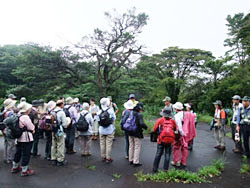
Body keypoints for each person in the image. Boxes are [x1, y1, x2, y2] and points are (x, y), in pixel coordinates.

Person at [11, 102, 35, 176]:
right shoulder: (25, 117)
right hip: (26, 138)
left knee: (18, 152)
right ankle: (24, 170)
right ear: (26, 109)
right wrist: (33, 130)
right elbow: (31, 127)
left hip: (18, 138)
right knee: (26, 154)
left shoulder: (17, 115)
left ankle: (15, 167)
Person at [171, 102, 196, 169]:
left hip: (180, 133)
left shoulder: (177, 116)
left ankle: (176, 161)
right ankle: (183, 162)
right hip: (187, 133)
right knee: (184, 148)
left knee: (176, 147)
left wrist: (182, 134)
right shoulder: (187, 113)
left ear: (176, 109)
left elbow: (179, 126)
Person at [152, 108, 177, 173]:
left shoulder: (160, 120)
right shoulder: (173, 121)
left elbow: (154, 129)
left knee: (158, 153)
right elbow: (175, 129)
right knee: (167, 154)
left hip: (161, 140)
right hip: (170, 140)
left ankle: (155, 168)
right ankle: (165, 169)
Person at [128, 102, 147, 167]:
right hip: (137, 132)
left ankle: (130, 159)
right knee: (137, 147)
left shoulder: (131, 112)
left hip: (130, 131)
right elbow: (141, 123)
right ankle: (135, 162)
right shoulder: (139, 114)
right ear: (140, 108)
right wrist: (146, 127)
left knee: (131, 146)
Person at [97, 97, 116, 163]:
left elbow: (98, 120)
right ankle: (108, 158)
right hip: (109, 130)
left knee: (102, 143)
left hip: (101, 130)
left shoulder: (99, 111)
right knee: (108, 144)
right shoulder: (110, 110)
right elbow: (114, 118)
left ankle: (103, 157)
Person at [50, 100, 68, 166]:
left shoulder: (52, 112)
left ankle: (53, 158)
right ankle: (60, 160)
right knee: (60, 144)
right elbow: (64, 124)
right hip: (59, 130)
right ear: (61, 105)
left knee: (54, 144)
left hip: (53, 130)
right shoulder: (61, 112)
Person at [2, 99, 17, 164]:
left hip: (4, 129)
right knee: (11, 144)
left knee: (6, 144)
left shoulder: (4, 111)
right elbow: (12, 121)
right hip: (9, 130)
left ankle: (5, 157)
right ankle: (10, 158)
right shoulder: (11, 112)